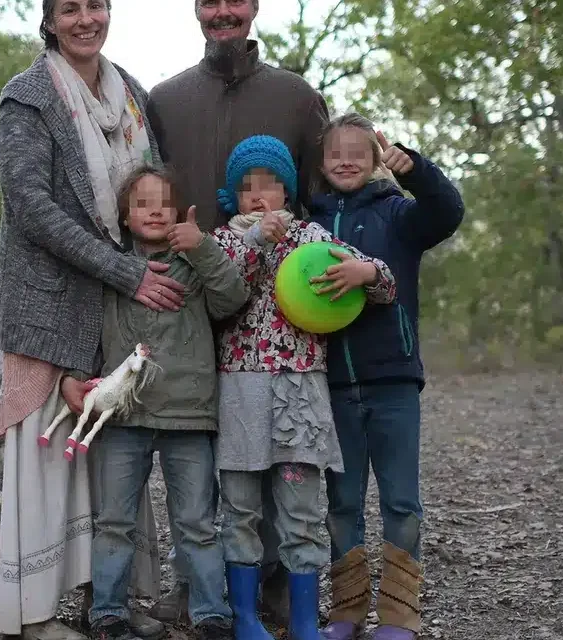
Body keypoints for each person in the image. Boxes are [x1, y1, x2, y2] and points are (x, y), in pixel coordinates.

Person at [0, 1, 184, 637]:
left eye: (95, 5)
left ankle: (112, 599)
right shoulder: (28, 96)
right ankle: (36, 615)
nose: (84, 20)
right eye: (68, 8)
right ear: (49, 20)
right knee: (50, 454)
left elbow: (148, 194)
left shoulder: (130, 92)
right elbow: (30, 207)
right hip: (48, 298)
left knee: (113, 452)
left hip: (116, 304)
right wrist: (125, 271)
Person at [145, 0, 331, 623]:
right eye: (209, 0)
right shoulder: (166, 102)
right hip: (186, 308)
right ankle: (197, 581)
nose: (222, 11)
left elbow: (323, 199)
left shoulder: (296, 97)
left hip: (280, 320)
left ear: (253, 7)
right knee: (201, 459)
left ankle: (277, 586)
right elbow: (142, 192)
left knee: (282, 460)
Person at [210, 135, 397, 640]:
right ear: (235, 195)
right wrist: (256, 243)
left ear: (287, 192)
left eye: (270, 186)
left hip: (299, 394)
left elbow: (384, 284)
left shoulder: (311, 238)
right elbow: (218, 297)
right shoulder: (223, 243)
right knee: (241, 508)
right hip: (240, 393)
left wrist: (366, 271)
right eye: (247, 188)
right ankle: (246, 618)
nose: (258, 197)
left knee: (300, 510)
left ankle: (304, 623)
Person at [306, 113, 465, 640]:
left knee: (401, 502)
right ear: (322, 164)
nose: (346, 161)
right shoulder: (311, 221)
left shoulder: (399, 213)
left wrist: (415, 169)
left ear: (375, 160)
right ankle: (347, 613)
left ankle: (399, 616)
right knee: (343, 503)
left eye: (358, 152)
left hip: (393, 381)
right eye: (335, 154)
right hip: (330, 385)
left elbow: (447, 212)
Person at [88, 166, 243, 640]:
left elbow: (231, 298)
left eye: (163, 202)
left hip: (188, 414)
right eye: (141, 203)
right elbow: (89, 331)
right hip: (123, 414)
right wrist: (80, 379)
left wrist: (202, 246)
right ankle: (107, 613)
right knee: (114, 520)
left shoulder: (195, 263)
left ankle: (211, 613)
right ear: (125, 217)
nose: (154, 210)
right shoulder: (111, 269)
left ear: (178, 212)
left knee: (196, 521)